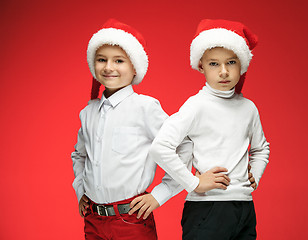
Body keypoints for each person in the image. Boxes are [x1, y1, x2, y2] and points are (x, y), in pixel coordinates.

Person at [71, 18, 192, 240]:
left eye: (119, 60)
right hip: (93, 220)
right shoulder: (88, 112)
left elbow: (184, 146)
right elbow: (79, 155)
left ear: (134, 67)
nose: (108, 67)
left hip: (131, 219)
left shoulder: (145, 107)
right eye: (101, 59)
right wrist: (81, 189)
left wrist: (160, 194)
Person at [150, 19, 270, 240]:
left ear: (241, 65)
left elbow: (261, 148)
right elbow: (160, 147)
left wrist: (255, 175)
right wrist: (194, 183)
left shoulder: (248, 108)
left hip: (244, 207)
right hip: (207, 209)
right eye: (214, 64)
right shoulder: (197, 105)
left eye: (231, 62)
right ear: (201, 65)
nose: (223, 72)